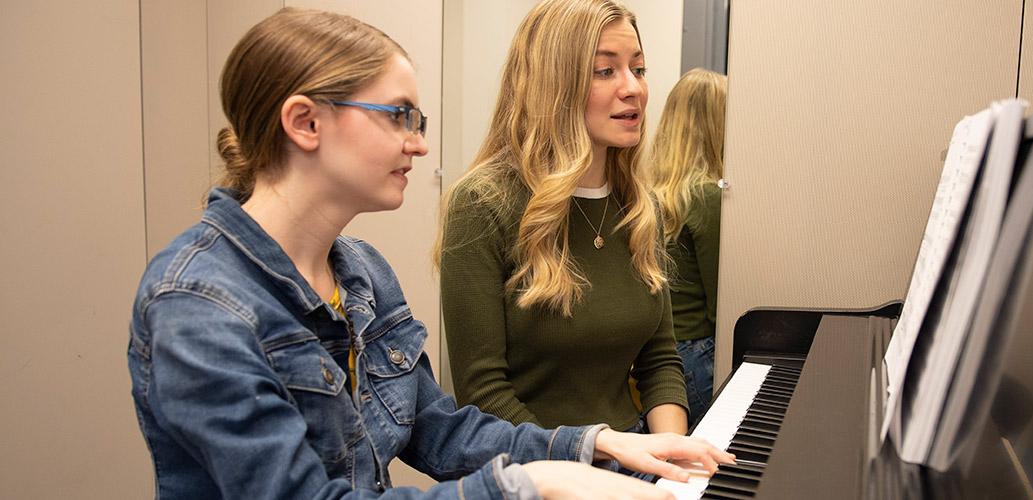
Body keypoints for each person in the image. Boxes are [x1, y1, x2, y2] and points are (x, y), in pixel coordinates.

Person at [127, 8, 729, 499]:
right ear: (305, 122)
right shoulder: (197, 303)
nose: (418, 143)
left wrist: (595, 445)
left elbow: (437, 430)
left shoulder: (360, 271)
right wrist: (536, 482)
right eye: (398, 117)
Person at [439, 0, 690, 439]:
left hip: (627, 454)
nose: (634, 88)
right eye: (605, 71)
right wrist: (590, 460)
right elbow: (483, 393)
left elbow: (660, 360)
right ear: (554, 85)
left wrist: (670, 456)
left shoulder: (640, 205)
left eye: (639, 68)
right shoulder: (483, 204)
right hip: (536, 462)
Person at [649, 68, 727, 427]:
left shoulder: (651, 193)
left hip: (664, 359)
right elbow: (721, 306)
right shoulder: (707, 196)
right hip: (698, 354)